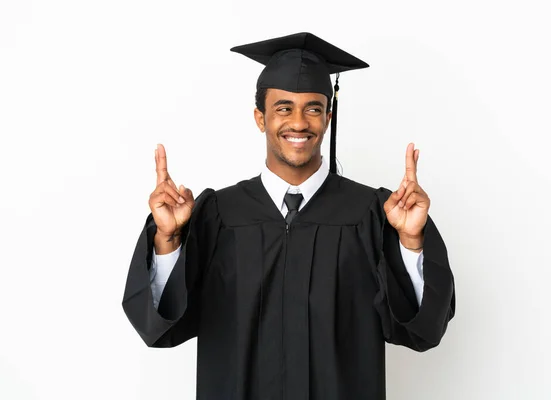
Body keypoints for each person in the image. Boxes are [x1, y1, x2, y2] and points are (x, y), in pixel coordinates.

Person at [122, 32, 455, 400]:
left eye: (313, 108)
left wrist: (410, 242)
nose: (299, 122)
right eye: (283, 108)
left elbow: (421, 331)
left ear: (328, 117)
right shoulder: (217, 215)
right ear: (260, 118)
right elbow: (160, 328)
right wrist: (167, 240)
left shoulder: (372, 214)